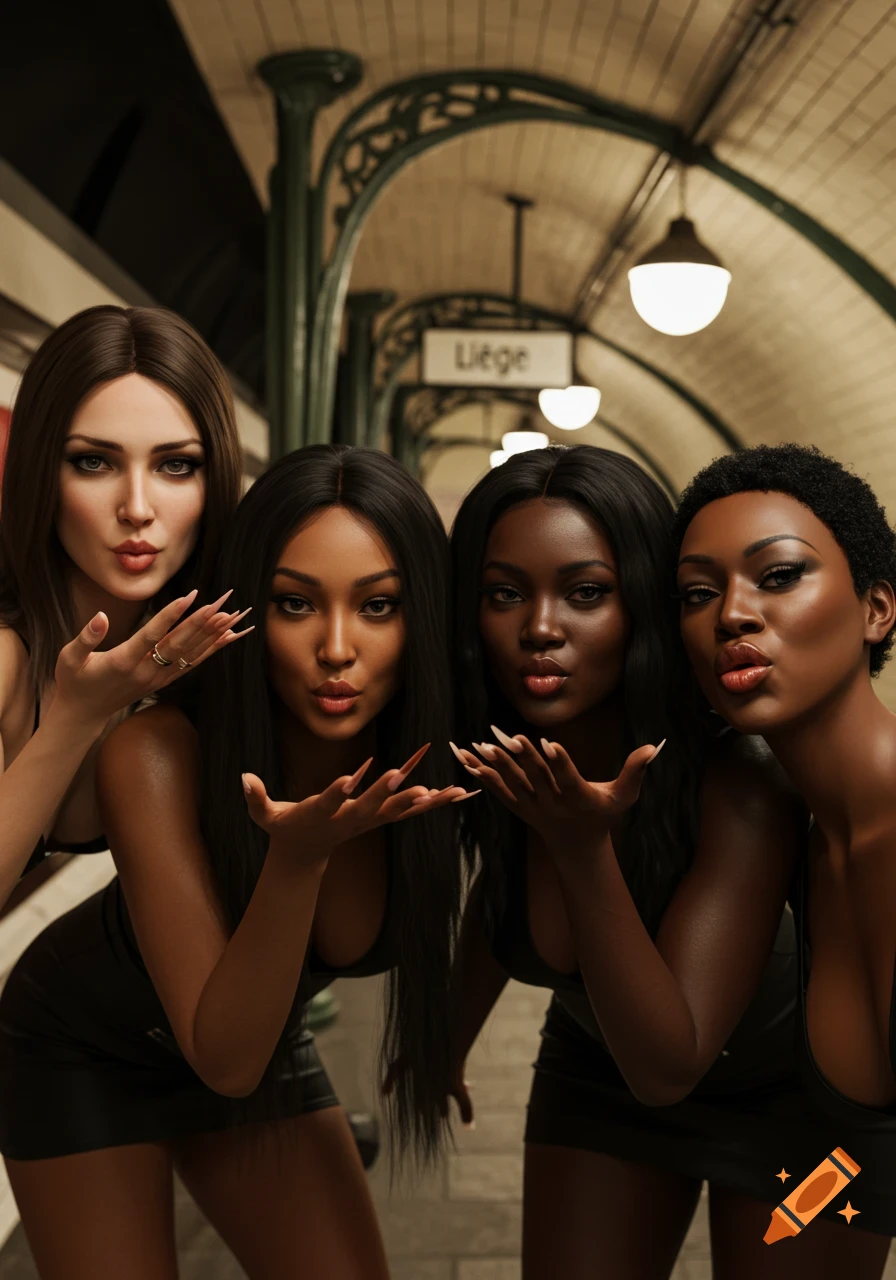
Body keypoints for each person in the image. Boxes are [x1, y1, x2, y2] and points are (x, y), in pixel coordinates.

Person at [0, 444, 470, 1279]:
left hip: (256, 1035)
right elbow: (225, 1057)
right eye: (295, 603)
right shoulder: (156, 753)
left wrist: (457, 1035)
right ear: (251, 611)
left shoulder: (449, 756)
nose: (336, 647)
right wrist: (296, 861)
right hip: (82, 1051)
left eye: (378, 605)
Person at [447, 444, 884, 1279]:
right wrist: (442, 1043)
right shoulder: (505, 754)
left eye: (586, 592)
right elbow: (501, 901)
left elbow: (668, 1065)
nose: (540, 629)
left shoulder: (740, 782)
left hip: (802, 1122)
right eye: (504, 593)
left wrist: (580, 848)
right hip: (598, 1070)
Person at [671, 442, 896, 1261]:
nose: (732, 614)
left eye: (779, 575)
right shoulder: (813, 834)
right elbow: (863, 1152)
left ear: (877, 609)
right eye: (699, 593)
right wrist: (791, 1216)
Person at [0, 303, 246, 908]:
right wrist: (76, 714)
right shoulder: (4, 660)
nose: (137, 507)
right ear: (40, 472)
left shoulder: (232, 652)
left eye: (176, 465)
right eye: (94, 462)